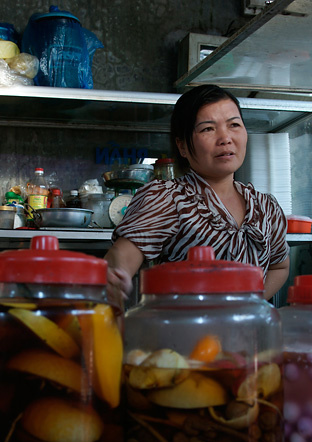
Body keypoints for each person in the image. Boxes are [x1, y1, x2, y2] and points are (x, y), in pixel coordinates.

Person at [104, 84, 290, 306]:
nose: (225, 138)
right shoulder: (168, 199)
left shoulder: (265, 207)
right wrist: (114, 278)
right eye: (207, 129)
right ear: (182, 146)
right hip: (181, 336)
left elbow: (280, 265)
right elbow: (121, 259)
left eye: (234, 125)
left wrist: (248, 305)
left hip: (247, 336)